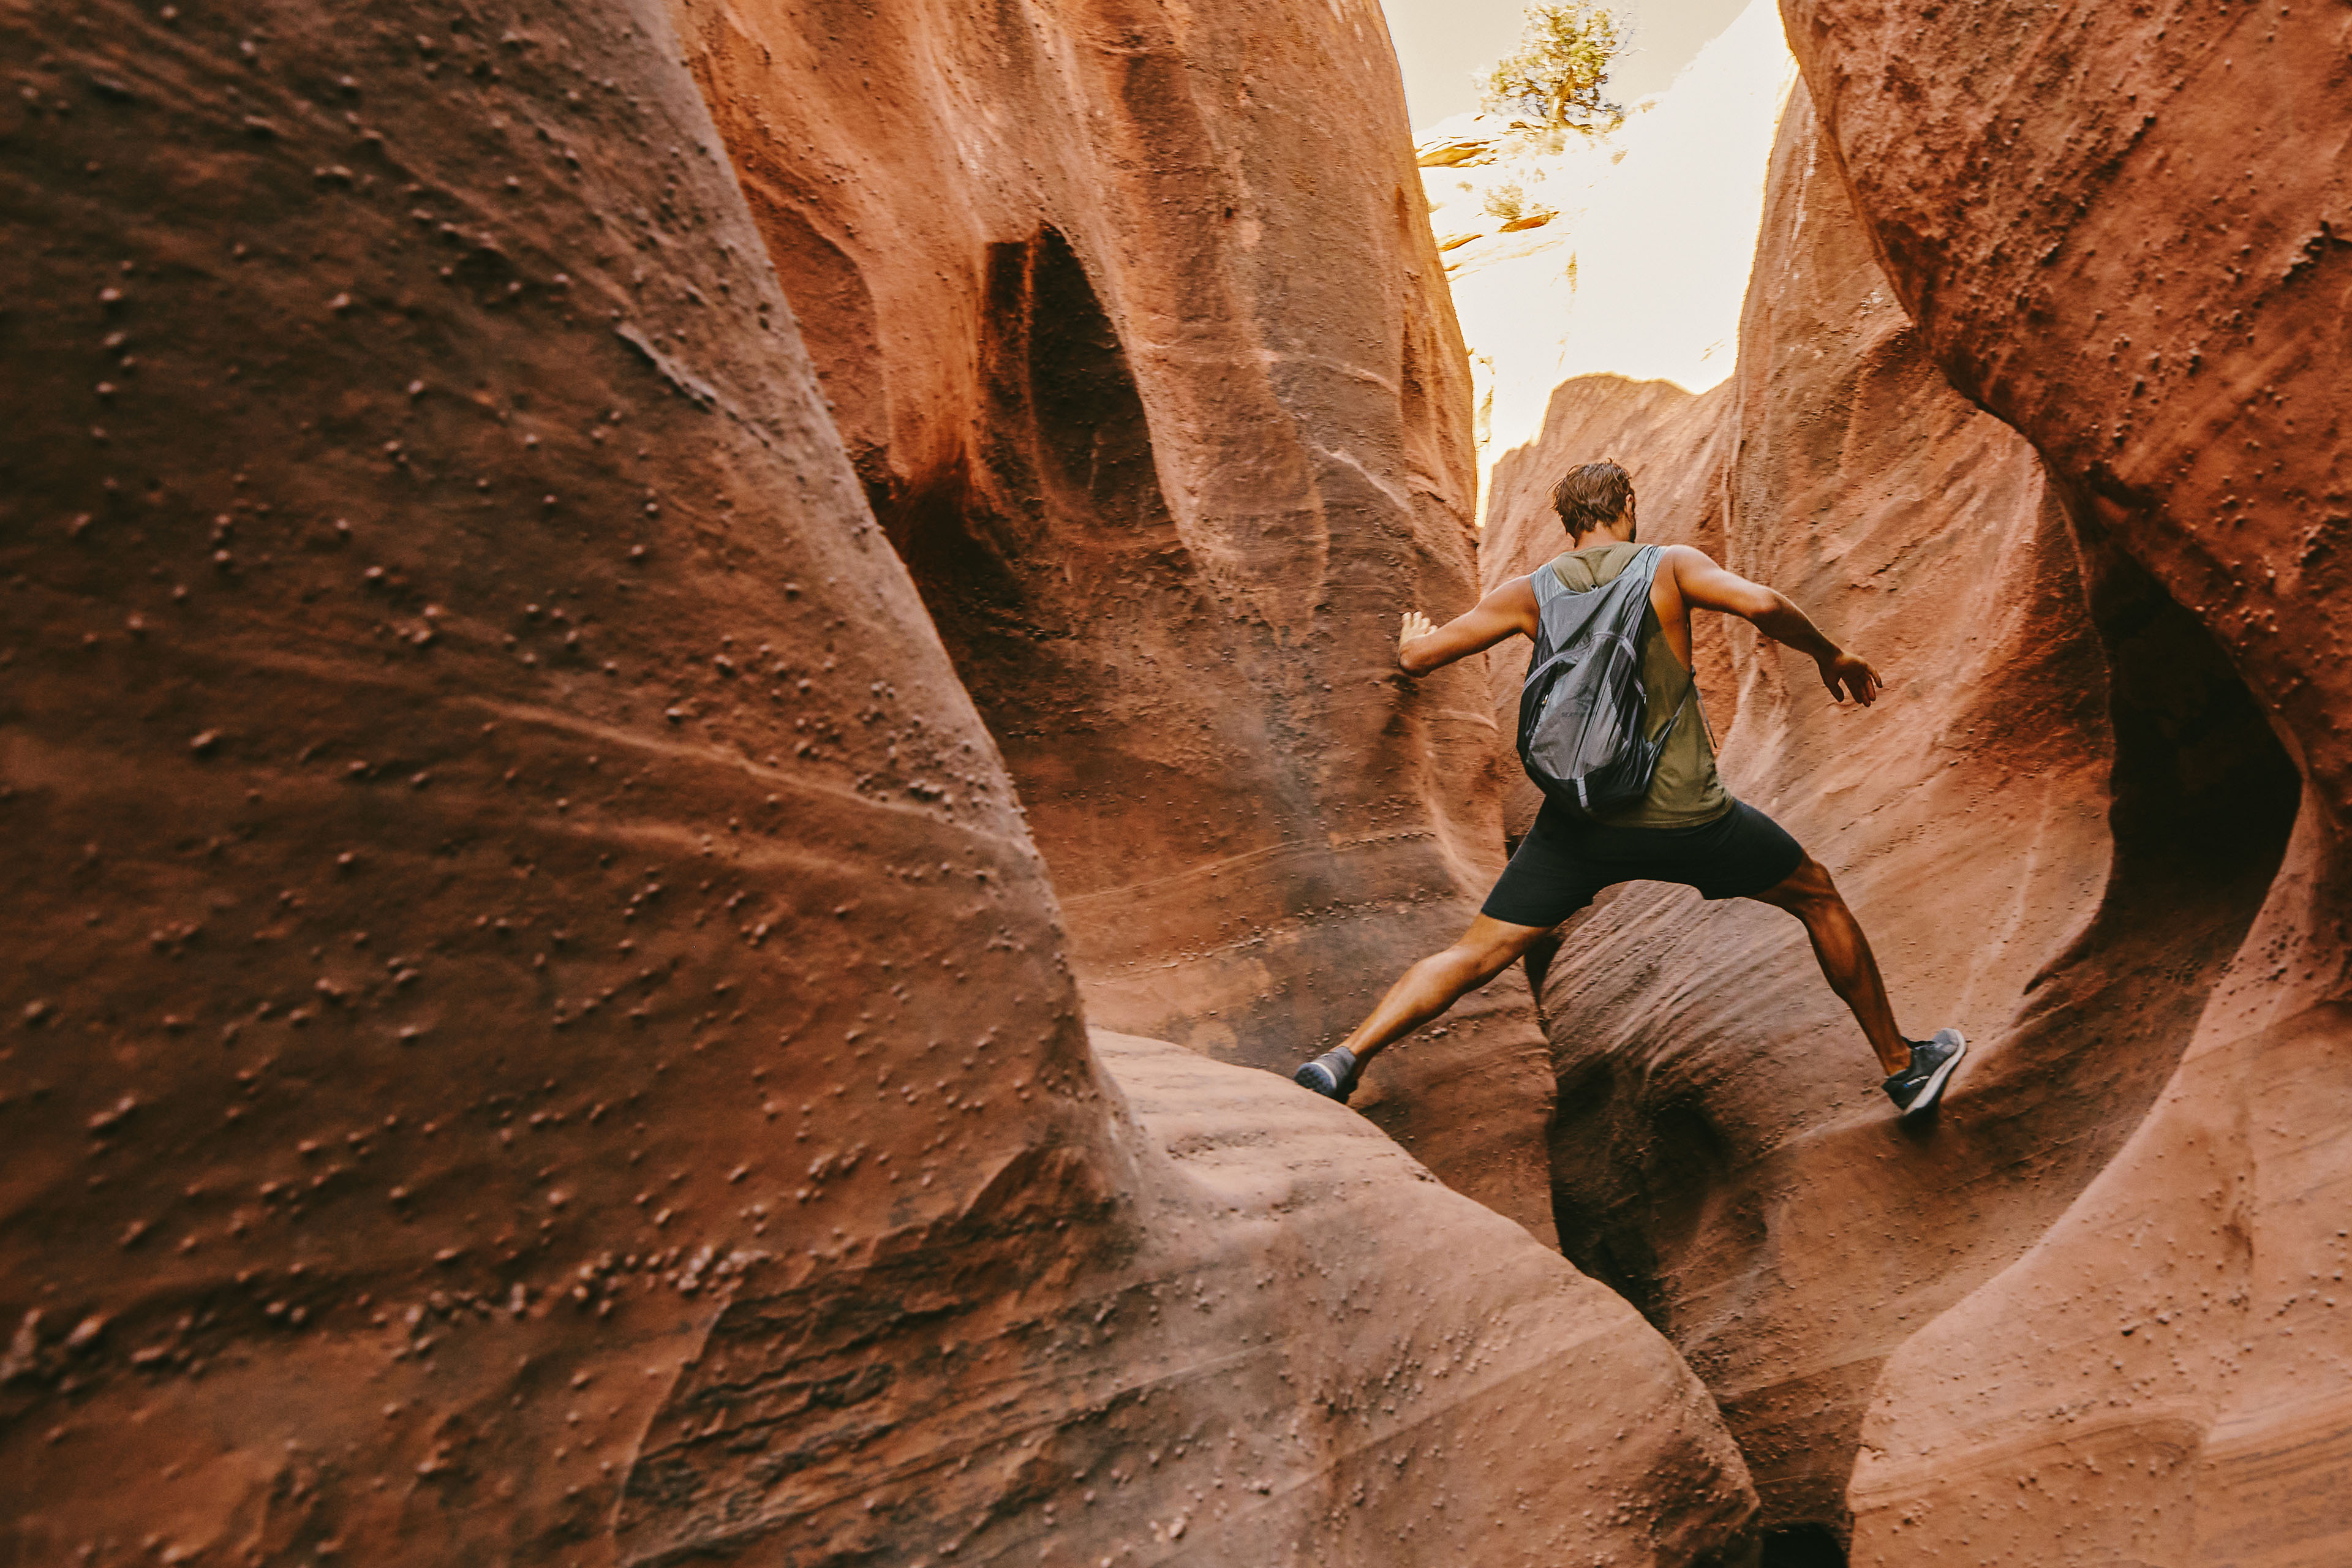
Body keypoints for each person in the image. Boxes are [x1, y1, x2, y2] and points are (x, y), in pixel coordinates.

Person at [1294, 460, 1964, 1118]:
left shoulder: (1528, 591)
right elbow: (1760, 604)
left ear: (1568, 523)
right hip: (1689, 818)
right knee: (1816, 895)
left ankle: (1345, 1058)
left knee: (1473, 954)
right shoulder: (1668, 565)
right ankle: (1903, 1068)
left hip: (1578, 827)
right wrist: (1830, 653)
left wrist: (1414, 640)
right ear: (1627, 505)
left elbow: (1419, 660)